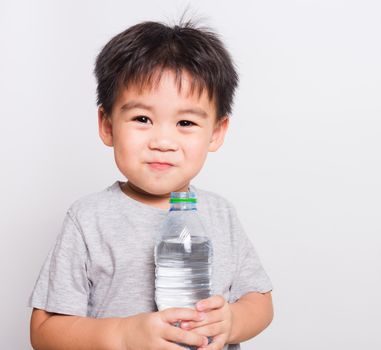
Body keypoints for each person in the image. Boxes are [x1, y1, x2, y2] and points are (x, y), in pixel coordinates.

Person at [28, 20, 273, 350]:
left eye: (185, 122)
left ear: (216, 131)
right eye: (142, 119)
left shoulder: (221, 214)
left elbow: (260, 302)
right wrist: (123, 336)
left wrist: (233, 321)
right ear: (107, 125)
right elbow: (44, 331)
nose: (163, 141)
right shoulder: (88, 218)